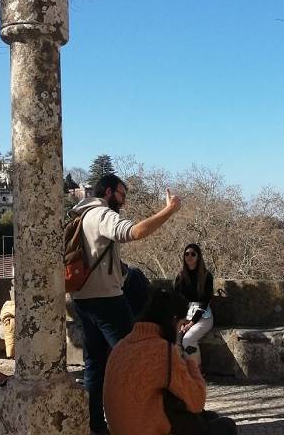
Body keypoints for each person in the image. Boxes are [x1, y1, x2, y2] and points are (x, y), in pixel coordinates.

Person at [71, 173, 181, 435]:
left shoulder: (81, 215)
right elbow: (134, 232)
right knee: (136, 359)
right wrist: (169, 209)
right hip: (107, 300)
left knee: (95, 365)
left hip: (82, 299)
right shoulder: (101, 214)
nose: (124, 201)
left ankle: (96, 426)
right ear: (108, 192)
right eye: (121, 195)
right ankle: (138, 423)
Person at [104, 288, 237, 435]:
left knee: (209, 417)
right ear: (172, 320)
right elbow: (197, 401)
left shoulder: (120, 345)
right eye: (181, 325)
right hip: (147, 429)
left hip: (122, 429)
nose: (180, 332)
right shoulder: (162, 350)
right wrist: (190, 362)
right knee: (226, 426)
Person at [174, 243, 214, 366]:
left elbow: (204, 302)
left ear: (198, 257)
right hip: (185, 315)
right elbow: (177, 301)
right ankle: (180, 373)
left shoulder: (207, 276)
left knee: (188, 339)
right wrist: (181, 321)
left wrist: (191, 324)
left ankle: (196, 371)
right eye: (186, 254)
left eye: (193, 254)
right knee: (174, 340)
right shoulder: (180, 276)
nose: (189, 256)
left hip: (203, 316)